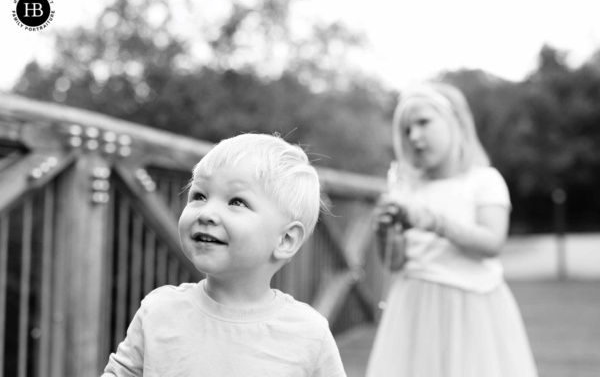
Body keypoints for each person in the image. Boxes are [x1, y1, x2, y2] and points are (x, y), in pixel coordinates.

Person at [102, 133, 347, 377]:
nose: (206, 213)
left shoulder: (308, 333)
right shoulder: (159, 310)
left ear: (285, 239)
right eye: (199, 196)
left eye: (237, 202)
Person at [366, 82, 538, 377]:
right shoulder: (407, 188)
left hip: (474, 307)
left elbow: (492, 242)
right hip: (413, 306)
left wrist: (435, 222)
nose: (415, 136)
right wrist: (384, 233)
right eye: (407, 129)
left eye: (423, 123)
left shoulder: (484, 181)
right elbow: (395, 262)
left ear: (455, 122)